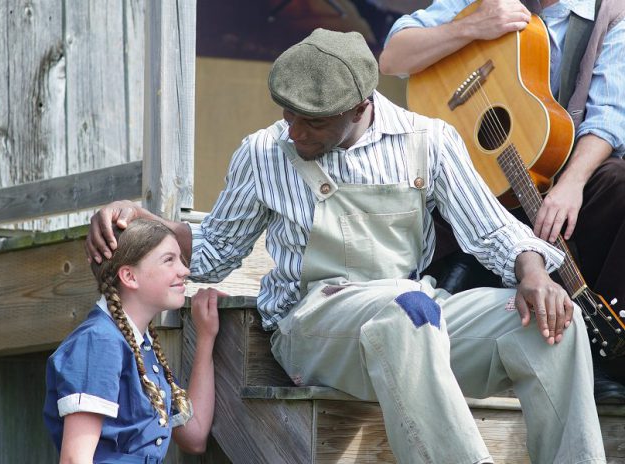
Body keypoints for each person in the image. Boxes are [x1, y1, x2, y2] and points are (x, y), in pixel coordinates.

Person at [87, 29, 605, 463]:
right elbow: (216, 249)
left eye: (311, 121)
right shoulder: (265, 152)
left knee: (554, 325)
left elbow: (493, 232)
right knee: (410, 312)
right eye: (287, 114)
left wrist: (533, 272)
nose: (293, 131)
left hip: (416, 317)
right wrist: (144, 222)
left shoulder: (430, 141)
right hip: (313, 329)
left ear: (361, 107)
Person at [380, 0, 625, 401]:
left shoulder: (613, 14)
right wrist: (471, 26)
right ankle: (442, 326)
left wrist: (571, 185)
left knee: (618, 182)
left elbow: (610, 115)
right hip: (480, 173)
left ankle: (602, 353)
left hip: (562, 167)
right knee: (435, 176)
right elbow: (393, 57)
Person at [44, 219, 221, 463]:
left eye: (181, 259)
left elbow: (195, 435)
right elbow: (75, 459)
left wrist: (206, 336)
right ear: (129, 276)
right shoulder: (99, 341)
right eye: (169, 260)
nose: (184, 270)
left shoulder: (141, 345)